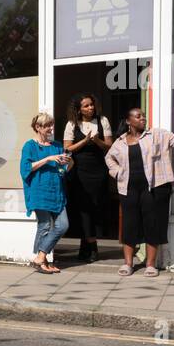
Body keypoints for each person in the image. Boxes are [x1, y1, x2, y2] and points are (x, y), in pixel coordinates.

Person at [105, 104, 174, 276]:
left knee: (152, 224)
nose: (142, 118)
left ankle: (150, 264)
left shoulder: (157, 134)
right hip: (128, 188)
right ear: (129, 121)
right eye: (138, 116)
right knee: (129, 224)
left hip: (154, 187)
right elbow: (109, 158)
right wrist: (117, 173)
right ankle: (128, 263)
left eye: (143, 116)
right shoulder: (121, 141)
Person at [62, 93, 113, 261]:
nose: (90, 108)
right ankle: (92, 247)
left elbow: (109, 146)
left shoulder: (102, 120)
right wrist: (85, 141)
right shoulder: (72, 124)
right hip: (79, 171)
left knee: (95, 207)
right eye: (86, 106)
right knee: (83, 208)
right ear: (78, 109)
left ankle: (86, 247)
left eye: (91, 104)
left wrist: (96, 140)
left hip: (98, 170)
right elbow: (67, 148)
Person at [20, 111, 71, 274]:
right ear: (38, 127)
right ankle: (43, 261)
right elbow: (26, 169)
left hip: (56, 191)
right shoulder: (30, 146)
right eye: (47, 125)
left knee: (63, 225)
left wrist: (68, 163)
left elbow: (64, 170)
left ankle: (40, 258)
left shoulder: (56, 146)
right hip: (38, 191)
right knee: (44, 226)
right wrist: (48, 159)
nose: (51, 128)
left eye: (51, 125)